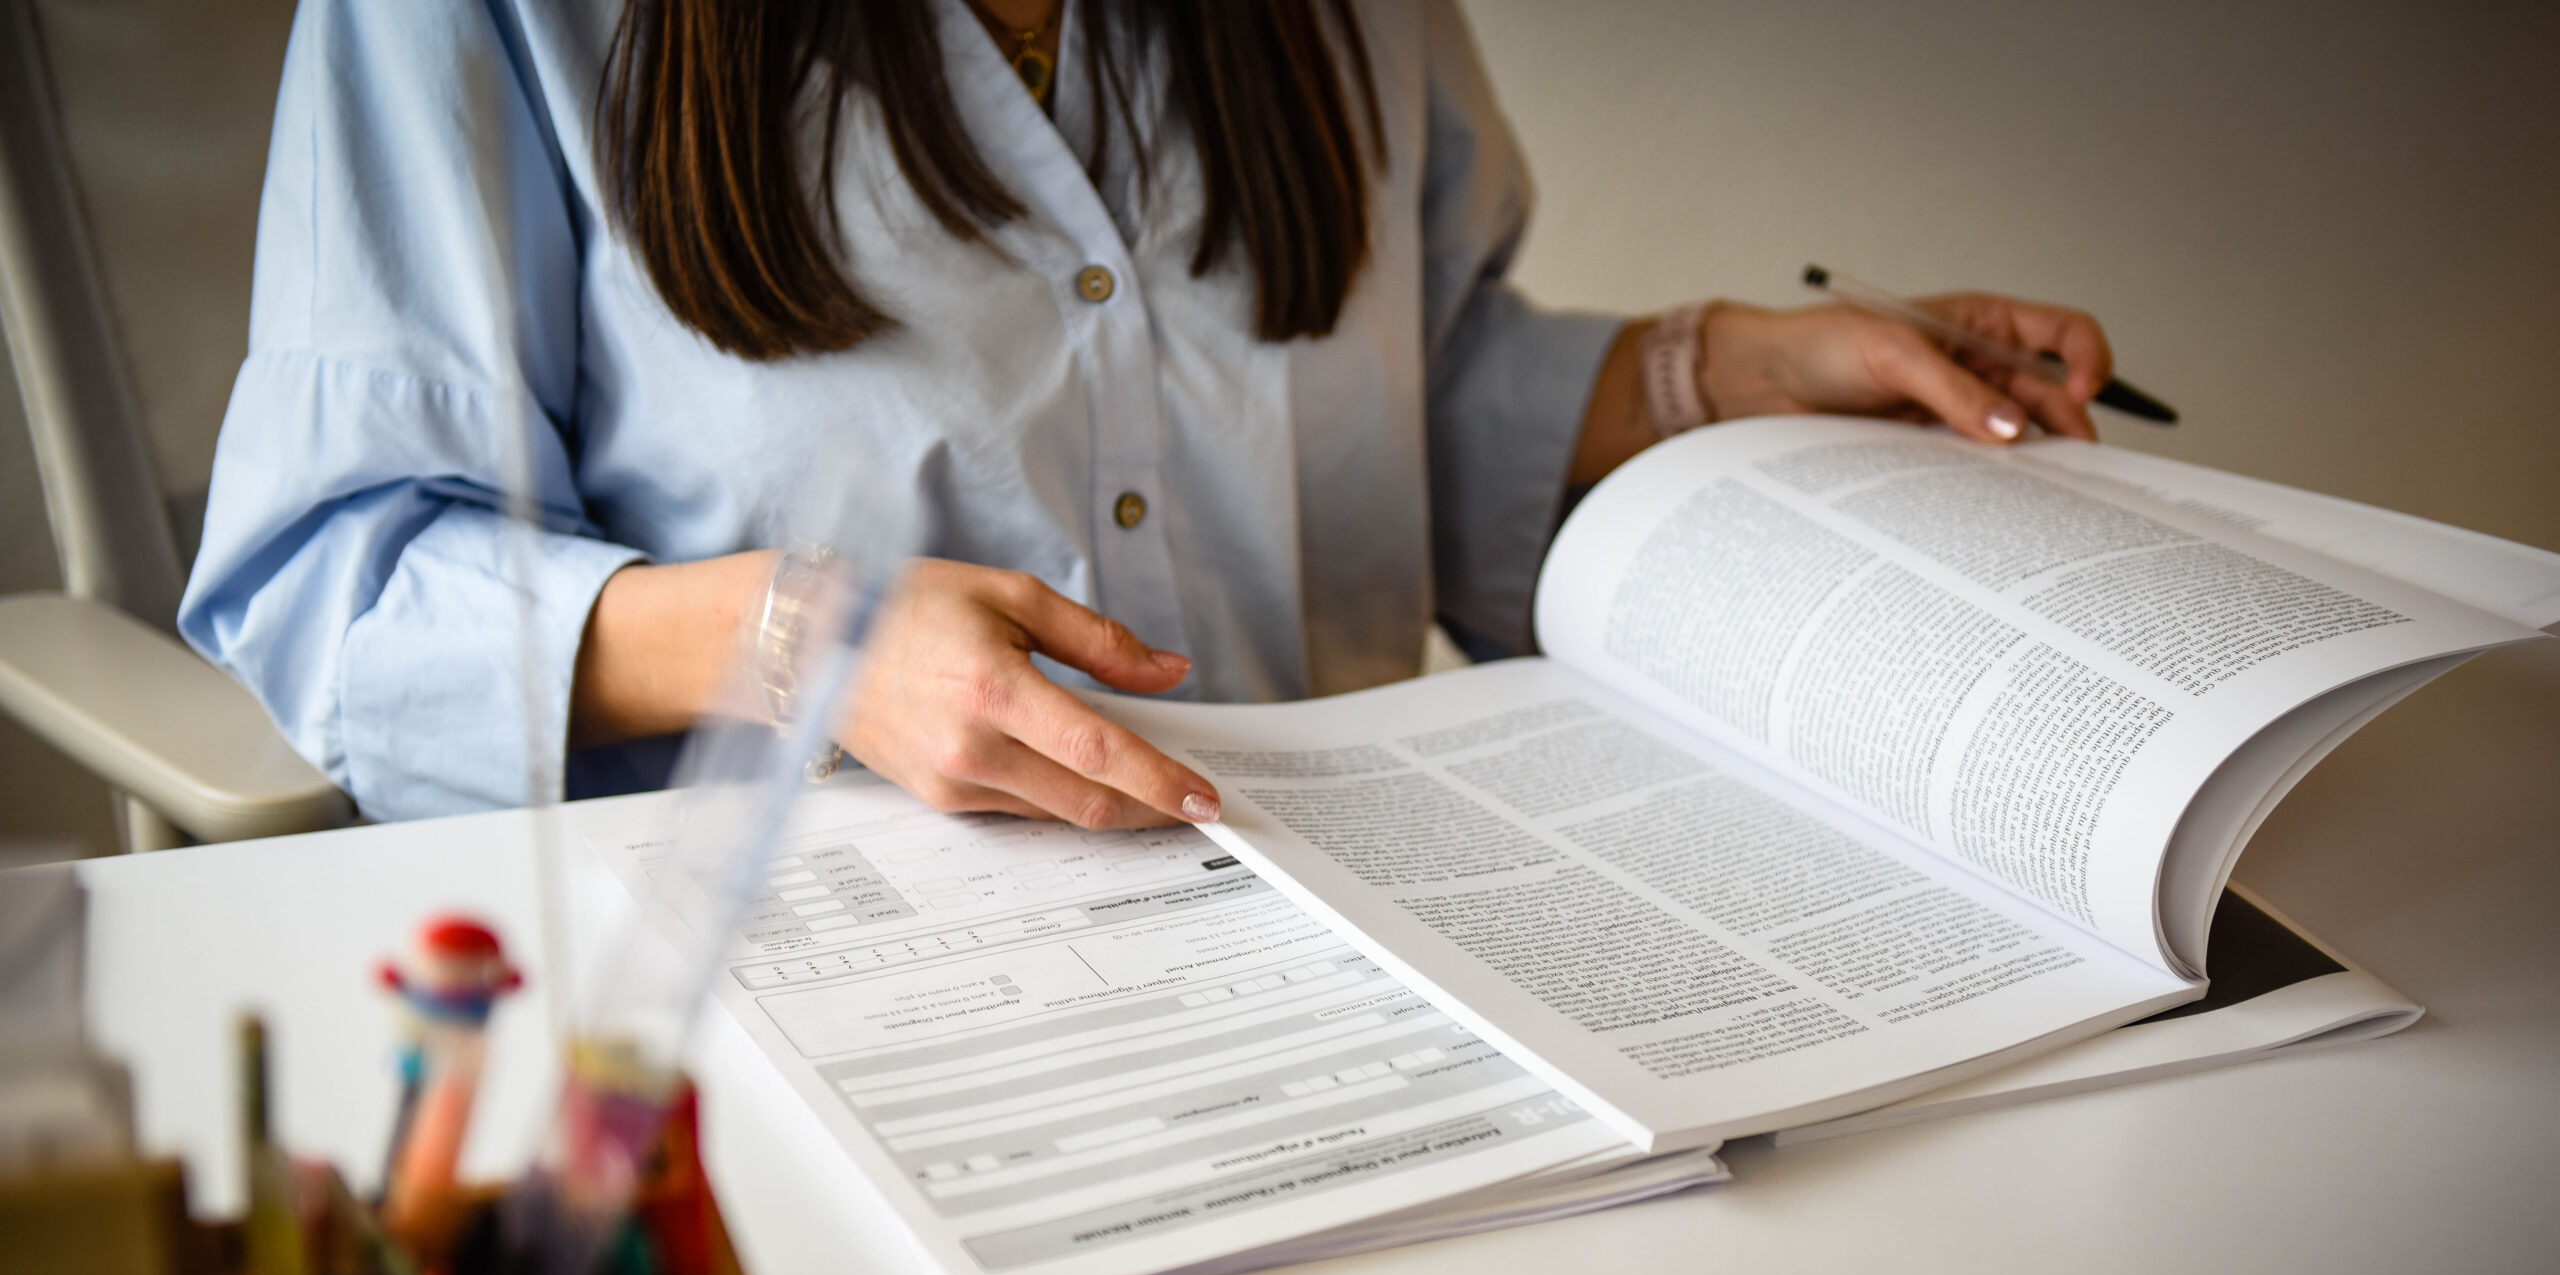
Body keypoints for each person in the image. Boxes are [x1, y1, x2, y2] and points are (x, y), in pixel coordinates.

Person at [182, 0, 2117, 829]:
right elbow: (333, 586)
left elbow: (1378, 424)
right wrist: (809, 643)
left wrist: (1716, 369)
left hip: (1364, 894)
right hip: (781, 989)